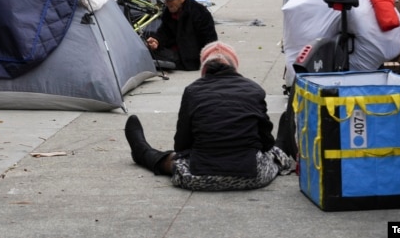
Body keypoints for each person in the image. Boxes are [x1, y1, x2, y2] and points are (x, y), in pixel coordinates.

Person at [124, 41, 293, 191]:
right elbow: (266, 143)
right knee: (273, 154)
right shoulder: (254, 89)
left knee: (175, 161)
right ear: (234, 66)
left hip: (199, 178)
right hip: (252, 177)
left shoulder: (192, 91)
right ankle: (284, 144)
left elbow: (181, 145)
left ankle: (142, 152)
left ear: (204, 68)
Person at [145, 0, 217, 71]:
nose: (167, 2)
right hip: (174, 51)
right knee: (145, 47)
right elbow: (164, 32)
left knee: (151, 58)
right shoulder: (169, 11)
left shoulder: (199, 12)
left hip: (190, 58)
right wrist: (156, 41)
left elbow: (210, 40)